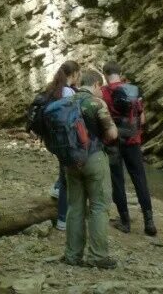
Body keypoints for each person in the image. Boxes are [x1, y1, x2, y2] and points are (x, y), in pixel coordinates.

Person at [62, 69, 118, 268]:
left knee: (75, 207)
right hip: (93, 157)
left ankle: (72, 255)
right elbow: (112, 133)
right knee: (99, 206)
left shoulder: (66, 101)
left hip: (70, 161)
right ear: (95, 84)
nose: (102, 92)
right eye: (100, 88)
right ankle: (97, 256)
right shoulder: (96, 103)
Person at [100, 61, 156, 236]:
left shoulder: (102, 92)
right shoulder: (133, 90)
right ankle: (149, 222)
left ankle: (125, 222)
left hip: (112, 142)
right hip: (133, 141)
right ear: (120, 72)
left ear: (105, 74)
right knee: (140, 179)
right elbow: (143, 119)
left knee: (117, 180)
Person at [46, 60, 81, 232]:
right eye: (78, 74)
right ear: (74, 74)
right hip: (66, 139)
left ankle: (56, 187)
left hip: (55, 139)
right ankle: (62, 219)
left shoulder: (55, 89)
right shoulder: (68, 92)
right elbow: (72, 118)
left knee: (63, 173)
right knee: (67, 178)